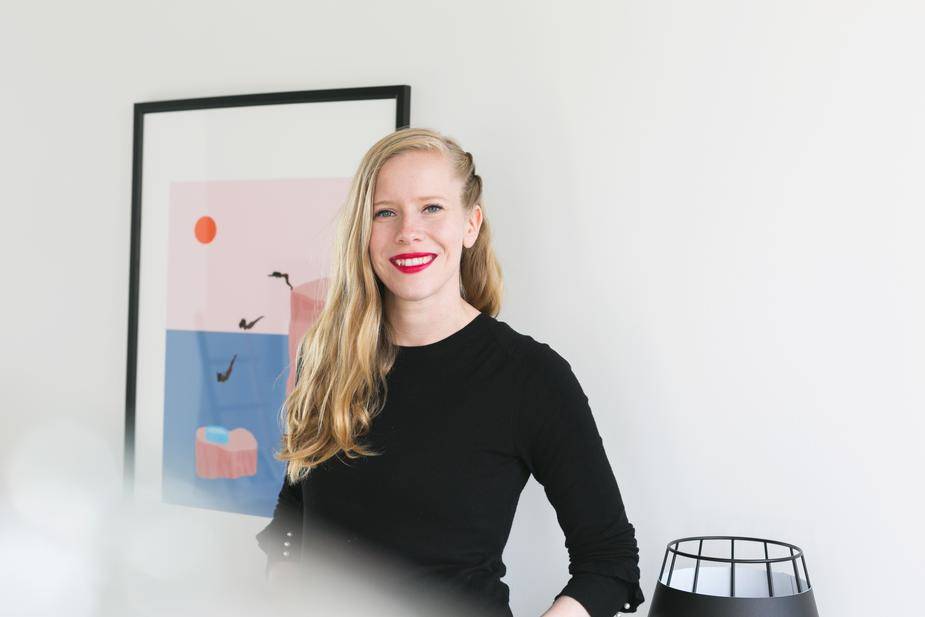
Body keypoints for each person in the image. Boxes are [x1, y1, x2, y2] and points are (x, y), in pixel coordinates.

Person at [255, 127, 644, 617]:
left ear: (470, 224)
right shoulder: (326, 356)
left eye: (432, 208)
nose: (408, 231)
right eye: (385, 212)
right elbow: (293, 513)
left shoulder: (530, 376)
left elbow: (609, 561)